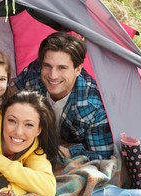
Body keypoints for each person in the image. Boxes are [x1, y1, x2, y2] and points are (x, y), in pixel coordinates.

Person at [12, 31, 114, 161]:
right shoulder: (35, 71)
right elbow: (10, 94)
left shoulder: (92, 107)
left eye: (62, 68)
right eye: (47, 66)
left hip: (62, 150)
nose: (53, 75)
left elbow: (103, 155)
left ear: (77, 69)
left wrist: (68, 152)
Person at [0, 90, 61, 196]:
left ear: (38, 130)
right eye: (12, 121)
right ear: (2, 119)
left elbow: (48, 188)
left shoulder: (33, 148)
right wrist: (26, 187)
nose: (18, 132)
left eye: (28, 124)